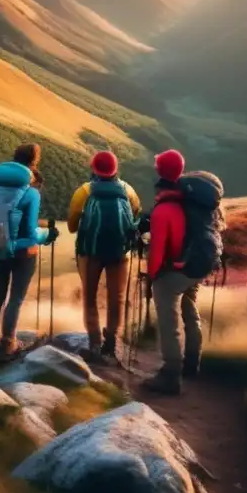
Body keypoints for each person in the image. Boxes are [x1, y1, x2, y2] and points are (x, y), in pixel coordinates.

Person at [0, 143, 57, 360]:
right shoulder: (31, 193)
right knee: (15, 298)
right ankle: (8, 344)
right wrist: (47, 235)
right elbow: (32, 233)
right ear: (34, 162)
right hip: (24, 253)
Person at [68, 151, 141, 360]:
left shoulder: (84, 191)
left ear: (94, 168)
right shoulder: (128, 190)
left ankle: (94, 344)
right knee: (116, 298)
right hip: (119, 252)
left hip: (90, 252)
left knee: (89, 298)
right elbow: (135, 214)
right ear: (115, 168)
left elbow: (72, 225)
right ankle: (111, 342)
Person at [143, 149, 199, 395]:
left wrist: (153, 275)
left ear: (159, 172)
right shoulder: (192, 199)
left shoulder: (164, 209)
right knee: (189, 311)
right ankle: (192, 363)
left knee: (169, 319)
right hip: (196, 266)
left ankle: (170, 374)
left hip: (174, 270)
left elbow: (156, 252)